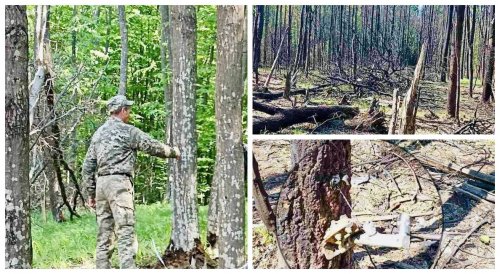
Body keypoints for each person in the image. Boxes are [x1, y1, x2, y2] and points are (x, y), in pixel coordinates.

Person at [82, 95, 180, 269]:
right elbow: (152, 146)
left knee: (104, 231)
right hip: (119, 184)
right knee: (125, 228)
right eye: (128, 109)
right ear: (122, 110)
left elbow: (87, 166)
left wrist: (91, 193)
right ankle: (128, 268)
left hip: (101, 185)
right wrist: (174, 152)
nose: (129, 112)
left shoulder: (98, 134)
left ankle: (102, 267)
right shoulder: (128, 132)